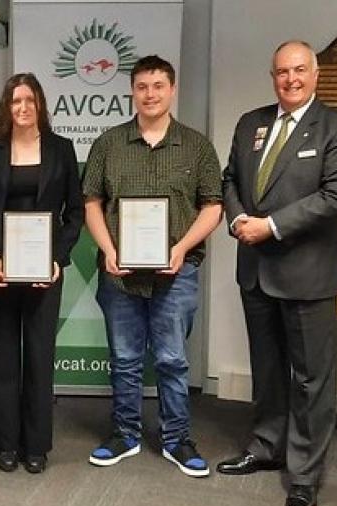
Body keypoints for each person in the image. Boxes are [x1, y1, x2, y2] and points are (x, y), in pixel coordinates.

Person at [217, 40, 337, 506]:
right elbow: (229, 180)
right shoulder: (250, 123)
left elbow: (336, 196)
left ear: (315, 75)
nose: (291, 79)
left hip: (307, 275)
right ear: (272, 75)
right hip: (256, 271)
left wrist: (270, 226)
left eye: (299, 70)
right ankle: (266, 445)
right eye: (282, 72)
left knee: (311, 381)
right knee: (269, 370)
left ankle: (303, 474)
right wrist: (238, 221)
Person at [81, 55, 222, 478]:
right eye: (142, 86)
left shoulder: (197, 146)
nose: (150, 94)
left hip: (175, 274)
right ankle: (125, 433)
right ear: (131, 91)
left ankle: (177, 439)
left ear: (172, 89)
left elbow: (212, 206)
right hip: (119, 275)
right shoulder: (108, 143)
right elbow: (92, 202)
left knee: (172, 360)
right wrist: (107, 249)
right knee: (123, 358)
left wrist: (180, 248)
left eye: (158, 86)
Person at [0, 72, 83, 473]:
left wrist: (57, 259)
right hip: (2, 271)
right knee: (3, 357)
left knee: (38, 355)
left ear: (40, 105)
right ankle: (6, 442)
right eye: (16, 101)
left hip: (45, 272)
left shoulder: (61, 149)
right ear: (7, 106)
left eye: (29, 101)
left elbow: (76, 213)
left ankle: (36, 444)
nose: (22, 108)